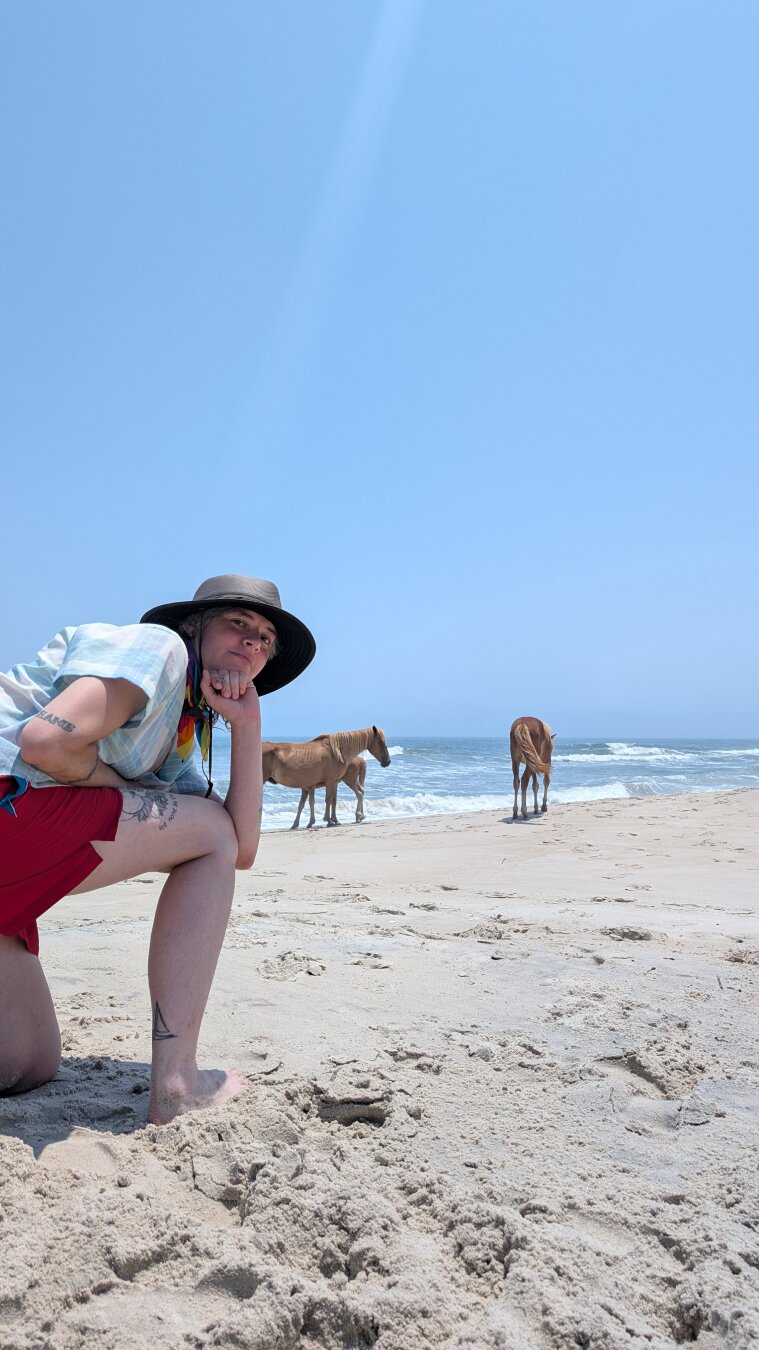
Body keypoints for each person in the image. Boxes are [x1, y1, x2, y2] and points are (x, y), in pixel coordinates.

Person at [0, 574, 315, 1123]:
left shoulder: (175, 736)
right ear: (191, 628)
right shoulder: (159, 647)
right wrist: (120, 786)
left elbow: (240, 845)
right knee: (207, 833)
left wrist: (248, 724)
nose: (254, 643)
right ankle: (177, 1082)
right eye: (237, 624)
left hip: (15, 857)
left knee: (27, 1063)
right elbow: (44, 742)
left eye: (265, 639)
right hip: (11, 797)